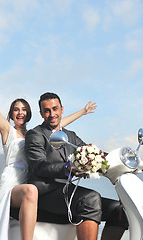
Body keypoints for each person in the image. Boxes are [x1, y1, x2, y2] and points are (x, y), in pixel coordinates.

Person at [0, 62, 98, 240]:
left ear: (30, 113)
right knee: (31, 191)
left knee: (33, 190)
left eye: (24, 109)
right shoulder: (7, 131)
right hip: (12, 184)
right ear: (11, 113)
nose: (20, 112)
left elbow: (59, 122)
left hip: (29, 181)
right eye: (16, 109)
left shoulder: (35, 134)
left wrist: (82, 112)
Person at [25, 92, 129, 240]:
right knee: (91, 198)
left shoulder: (70, 135)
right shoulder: (35, 134)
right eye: (47, 110)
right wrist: (66, 168)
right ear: (41, 113)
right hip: (46, 193)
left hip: (67, 191)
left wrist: (126, 160)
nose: (52, 114)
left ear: (62, 109)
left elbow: (94, 153)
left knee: (120, 210)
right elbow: (39, 166)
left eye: (55, 109)